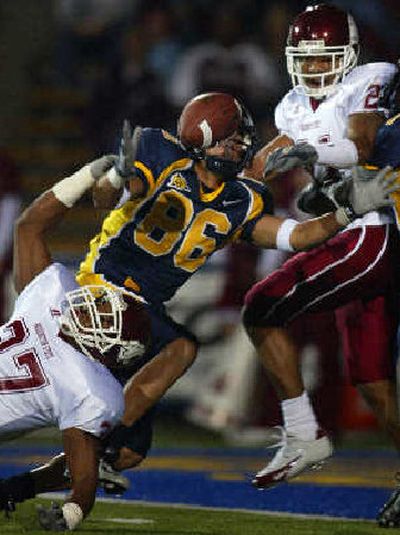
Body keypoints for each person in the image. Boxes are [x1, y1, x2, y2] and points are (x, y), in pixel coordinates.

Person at [73, 91, 397, 481]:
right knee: (182, 348)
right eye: (233, 140)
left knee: (128, 453)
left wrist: (346, 212)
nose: (244, 145)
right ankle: (83, 455)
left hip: (148, 309)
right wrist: (113, 176)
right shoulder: (159, 153)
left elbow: (295, 236)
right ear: (208, 144)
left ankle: (79, 462)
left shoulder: (242, 198)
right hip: (104, 290)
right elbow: (104, 199)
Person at [241, 3, 400, 490]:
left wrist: (310, 156)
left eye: (323, 57)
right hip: (352, 231)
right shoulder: (289, 105)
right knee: (372, 380)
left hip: (372, 231)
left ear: (349, 54)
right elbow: (259, 166)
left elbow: (361, 145)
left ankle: (304, 432)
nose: (313, 68)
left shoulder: (369, 79)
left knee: (261, 306)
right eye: (305, 59)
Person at [0, 156, 151, 531]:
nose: (92, 307)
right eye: (104, 305)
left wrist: (71, 512)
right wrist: (86, 176)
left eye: (105, 317)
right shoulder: (57, 294)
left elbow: (83, 474)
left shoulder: (90, 388)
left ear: (107, 346)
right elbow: (28, 228)